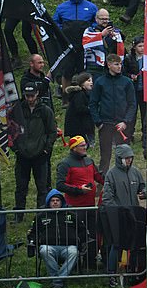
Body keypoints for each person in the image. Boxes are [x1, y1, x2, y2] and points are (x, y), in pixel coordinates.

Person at [8, 84, 58, 218]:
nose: (30, 98)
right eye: (27, 95)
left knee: (42, 187)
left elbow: (52, 132)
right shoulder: (17, 110)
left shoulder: (45, 110)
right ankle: (19, 214)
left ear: (37, 94)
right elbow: (11, 130)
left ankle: (41, 214)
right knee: (21, 187)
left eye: (32, 95)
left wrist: (47, 149)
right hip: (22, 154)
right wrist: (16, 149)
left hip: (40, 154)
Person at [27, 190, 87, 288]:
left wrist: (79, 241)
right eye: (52, 200)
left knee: (74, 252)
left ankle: (57, 281)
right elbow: (33, 232)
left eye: (57, 200)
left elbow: (82, 230)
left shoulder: (71, 214)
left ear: (62, 202)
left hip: (68, 247)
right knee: (44, 250)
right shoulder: (41, 216)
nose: (55, 202)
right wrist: (34, 242)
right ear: (48, 203)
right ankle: (59, 281)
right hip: (49, 247)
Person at [89, 54, 135, 173]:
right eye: (116, 64)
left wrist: (125, 121)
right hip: (106, 123)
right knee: (105, 155)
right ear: (109, 65)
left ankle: (125, 176)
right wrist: (98, 122)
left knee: (124, 154)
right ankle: (103, 181)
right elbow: (93, 103)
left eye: (120, 64)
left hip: (122, 124)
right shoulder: (100, 82)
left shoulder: (127, 82)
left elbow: (132, 104)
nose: (119, 66)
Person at [55, 135, 103, 208]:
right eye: (82, 146)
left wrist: (111, 180)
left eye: (85, 145)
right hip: (74, 207)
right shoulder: (65, 164)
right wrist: (80, 189)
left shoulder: (89, 161)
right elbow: (60, 185)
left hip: (91, 205)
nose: (85, 148)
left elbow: (99, 177)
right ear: (74, 148)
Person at [63, 72, 94, 144]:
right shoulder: (79, 94)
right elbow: (80, 108)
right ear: (82, 83)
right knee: (81, 145)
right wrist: (91, 109)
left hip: (79, 127)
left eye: (92, 81)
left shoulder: (84, 94)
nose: (91, 83)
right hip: (76, 127)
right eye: (88, 81)